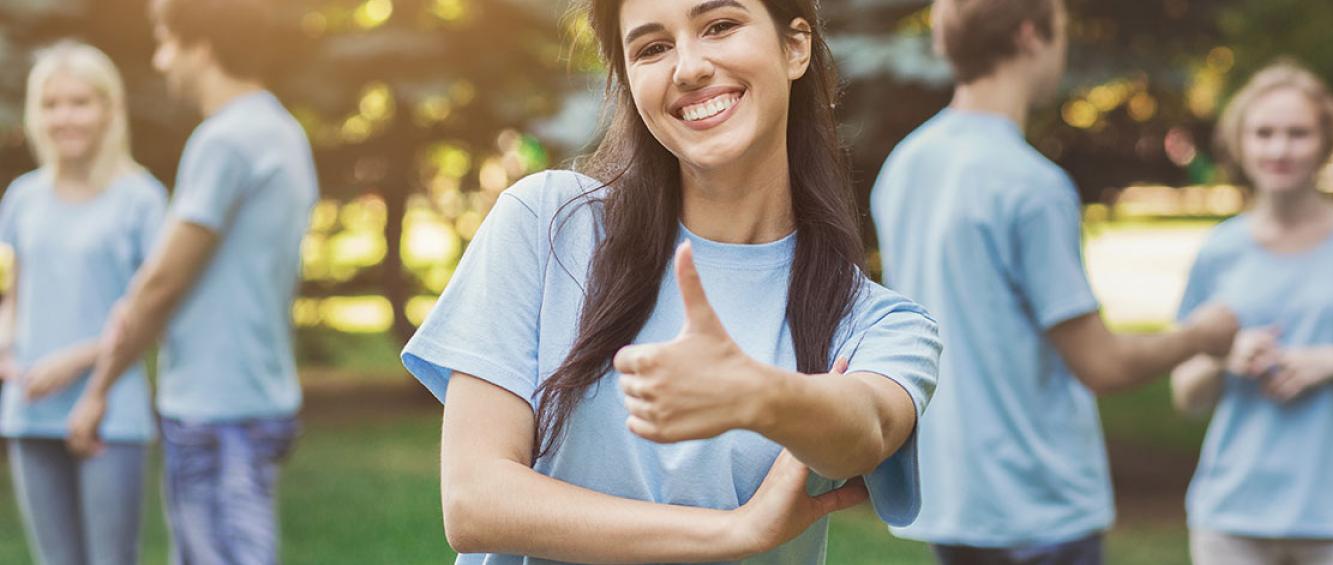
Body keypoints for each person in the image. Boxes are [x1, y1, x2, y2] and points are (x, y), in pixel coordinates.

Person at [400, 0, 942, 562]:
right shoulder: (546, 224)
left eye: (720, 26)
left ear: (795, 46)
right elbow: (475, 500)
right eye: (653, 48)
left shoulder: (880, 322)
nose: (688, 68)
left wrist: (760, 395)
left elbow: (869, 427)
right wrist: (735, 533)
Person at [870, 0, 1238, 562]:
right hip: (1037, 505)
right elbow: (1102, 365)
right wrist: (1201, 335)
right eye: (1061, 31)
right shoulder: (1031, 185)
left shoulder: (904, 165)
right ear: (1029, 35)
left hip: (953, 498)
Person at [65, 0, 318, 562]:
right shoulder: (280, 130)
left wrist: (98, 389)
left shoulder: (225, 140)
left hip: (215, 409)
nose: (160, 62)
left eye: (167, 42)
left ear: (201, 45)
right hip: (257, 397)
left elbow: (160, 281)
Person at [1170, 60, 1333, 565]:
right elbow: (1186, 394)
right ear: (1240, 143)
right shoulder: (1218, 250)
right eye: (1264, 133)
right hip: (1233, 516)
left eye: (1297, 133)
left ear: (1325, 141)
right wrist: (1228, 358)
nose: (1279, 149)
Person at [0, 40, 166, 565]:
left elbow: (153, 314)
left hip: (110, 412)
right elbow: (15, 295)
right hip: (29, 409)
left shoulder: (142, 198)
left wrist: (73, 360)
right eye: (51, 104)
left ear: (108, 109)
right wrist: (5, 345)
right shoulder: (22, 198)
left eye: (79, 102)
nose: (63, 117)